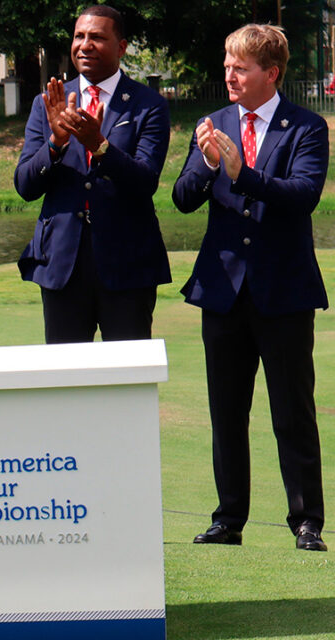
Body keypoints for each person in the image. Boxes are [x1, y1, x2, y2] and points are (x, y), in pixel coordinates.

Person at [173, 24, 327, 552]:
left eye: (240, 67)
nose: (229, 75)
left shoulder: (306, 127)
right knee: (226, 412)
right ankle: (228, 519)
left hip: (283, 291)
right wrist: (210, 163)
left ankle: (306, 522)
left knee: (292, 412)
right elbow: (182, 198)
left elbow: (303, 194)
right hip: (222, 291)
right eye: (227, 64)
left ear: (271, 73)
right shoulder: (213, 125)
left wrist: (242, 174)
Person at [13, 4, 171, 343]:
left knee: (127, 380)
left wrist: (99, 145)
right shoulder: (49, 102)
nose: (85, 45)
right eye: (79, 36)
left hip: (128, 266)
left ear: (122, 47)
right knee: (66, 384)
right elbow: (25, 185)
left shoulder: (148, 105)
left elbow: (145, 182)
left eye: (97, 37)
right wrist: (56, 142)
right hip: (62, 266)